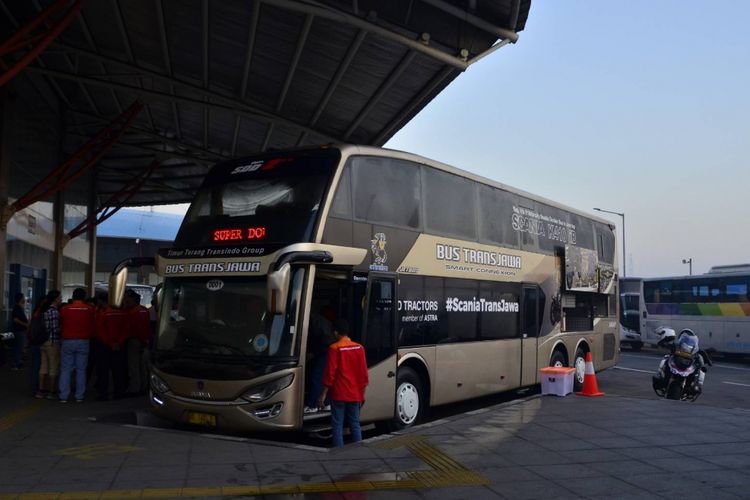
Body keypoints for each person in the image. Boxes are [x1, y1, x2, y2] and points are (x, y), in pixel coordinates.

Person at [318, 319, 369, 447]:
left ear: (336, 333)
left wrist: (323, 394)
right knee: (355, 424)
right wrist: (362, 395)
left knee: (337, 425)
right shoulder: (359, 347)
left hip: (339, 393)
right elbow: (363, 375)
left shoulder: (334, 348)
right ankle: (359, 450)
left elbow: (330, 374)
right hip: (355, 394)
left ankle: (339, 453)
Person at [58, 288, 95, 403]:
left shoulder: (65, 309)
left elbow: (61, 323)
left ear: (73, 296)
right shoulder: (90, 310)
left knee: (65, 369)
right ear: (84, 297)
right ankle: (79, 396)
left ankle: (63, 395)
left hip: (68, 341)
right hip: (83, 341)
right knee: (81, 369)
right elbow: (93, 324)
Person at [94, 295, 129, 400]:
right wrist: (118, 342)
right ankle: (119, 393)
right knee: (118, 371)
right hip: (119, 347)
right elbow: (126, 330)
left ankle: (103, 394)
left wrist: (109, 343)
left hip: (104, 347)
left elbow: (100, 331)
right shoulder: (123, 314)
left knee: (103, 371)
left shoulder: (103, 314)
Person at [304, 306, 337, 414]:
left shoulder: (315, 322)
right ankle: (327, 403)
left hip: (325, 351)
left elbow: (322, 341)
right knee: (323, 377)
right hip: (326, 350)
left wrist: (313, 353)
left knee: (316, 377)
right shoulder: (320, 321)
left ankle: (312, 405)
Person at [123, 289, 151, 395]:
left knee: (133, 366)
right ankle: (144, 386)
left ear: (133, 300)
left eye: (127, 300)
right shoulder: (144, 310)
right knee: (143, 366)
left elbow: (134, 328)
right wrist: (145, 341)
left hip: (134, 340)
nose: (126, 302)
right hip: (144, 340)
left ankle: (135, 388)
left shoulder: (132, 312)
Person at [36, 290, 62, 399]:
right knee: (53, 367)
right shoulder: (54, 312)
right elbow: (55, 329)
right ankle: (51, 392)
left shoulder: (44, 310)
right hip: (52, 342)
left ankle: (40, 391)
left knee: (43, 367)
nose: (61, 299)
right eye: (60, 298)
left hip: (43, 342)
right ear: (55, 299)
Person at [9, 293, 28, 370]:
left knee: (19, 347)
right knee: (18, 348)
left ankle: (18, 362)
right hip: (18, 331)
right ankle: (16, 364)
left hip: (20, 331)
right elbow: (15, 319)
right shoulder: (17, 308)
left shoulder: (20, 308)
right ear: (20, 299)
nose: (25, 299)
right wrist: (25, 324)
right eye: (23, 298)